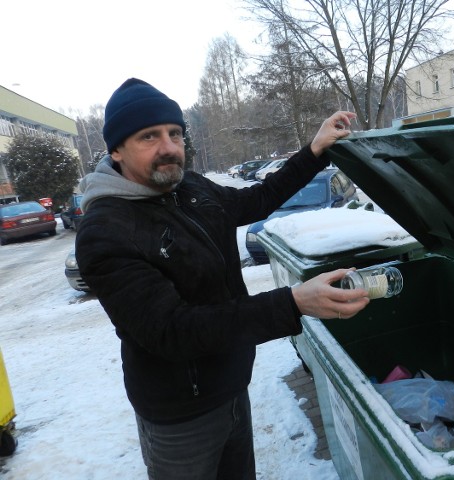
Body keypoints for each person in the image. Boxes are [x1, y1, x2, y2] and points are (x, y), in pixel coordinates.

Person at [75, 78, 370, 480]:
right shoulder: (105, 230)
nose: (168, 147)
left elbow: (258, 198)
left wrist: (315, 151)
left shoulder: (190, 188)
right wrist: (292, 303)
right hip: (180, 417)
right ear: (116, 150)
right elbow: (172, 330)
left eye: (175, 133)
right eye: (149, 136)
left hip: (231, 384)